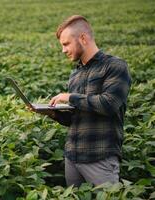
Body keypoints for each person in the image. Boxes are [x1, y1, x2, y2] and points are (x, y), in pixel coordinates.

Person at [29, 15, 132, 187]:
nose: (63, 50)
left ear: (83, 38)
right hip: (72, 158)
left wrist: (70, 97)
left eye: (66, 44)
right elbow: (76, 118)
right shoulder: (75, 74)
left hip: (100, 158)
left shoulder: (115, 66)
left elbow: (109, 104)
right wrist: (52, 113)